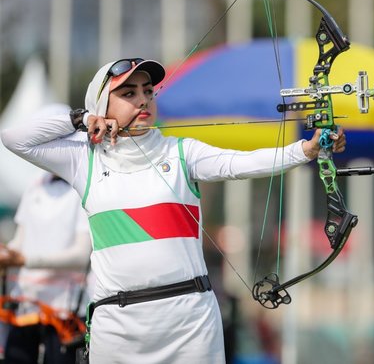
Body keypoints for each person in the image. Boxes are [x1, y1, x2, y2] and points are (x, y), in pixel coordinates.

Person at [1, 58, 346, 364]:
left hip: (190, 322)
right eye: (129, 93)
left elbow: (240, 163)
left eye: (148, 91)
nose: (143, 100)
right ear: (102, 103)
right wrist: (82, 118)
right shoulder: (84, 161)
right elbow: (14, 137)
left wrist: (307, 149)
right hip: (117, 327)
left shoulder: (180, 152)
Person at [0, 168, 92, 364]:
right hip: (25, 305)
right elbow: (20, 242)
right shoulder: (37, 182)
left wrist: (24, 260)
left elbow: (82, 256)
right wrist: (6, 254)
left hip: (66, 311)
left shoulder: (84, 184)